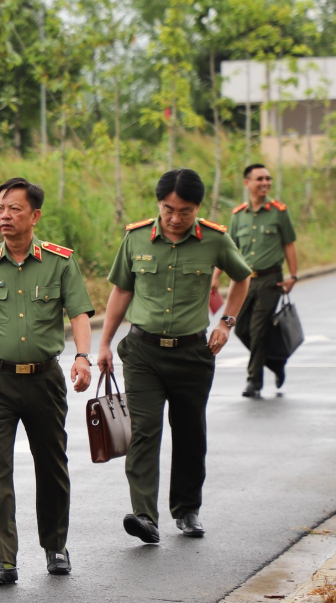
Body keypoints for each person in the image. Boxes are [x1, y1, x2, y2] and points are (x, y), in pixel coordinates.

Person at [97, 169, 252, 543]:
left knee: (189, 432)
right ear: (159, 204)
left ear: (198, 208)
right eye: (168, 209)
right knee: (143, 431)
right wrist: (104, 343)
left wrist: (226, 322)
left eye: (184, 211)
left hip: (192, 354)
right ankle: (144, 515)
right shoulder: (136, 238)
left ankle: (186, 510)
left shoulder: (215, 239)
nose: (175, 218)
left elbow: (242, 277)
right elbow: (122, 291)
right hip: (143, 352)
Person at [0, 178, 94, 586]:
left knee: (51, 464)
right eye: (0, 209)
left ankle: (55, 546)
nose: (4, 216)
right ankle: (2, 560)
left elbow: (79, 313)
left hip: (44, 379)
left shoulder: (59, 262)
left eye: (14, 209)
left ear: (34, 216)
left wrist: (83, 356)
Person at [211, 164, 298, 398]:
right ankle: (275, 362)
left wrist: (293, 276)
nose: (265, 183)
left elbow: (289, 244)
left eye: (268, 178)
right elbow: (229, 250)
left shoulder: (279, 212)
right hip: (244, 281)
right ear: (247, 183)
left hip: (271, 280)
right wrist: (215, 277)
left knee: (258, 330)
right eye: (260, 179)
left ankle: (254, 381)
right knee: (240, 329)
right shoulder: (238, 215)